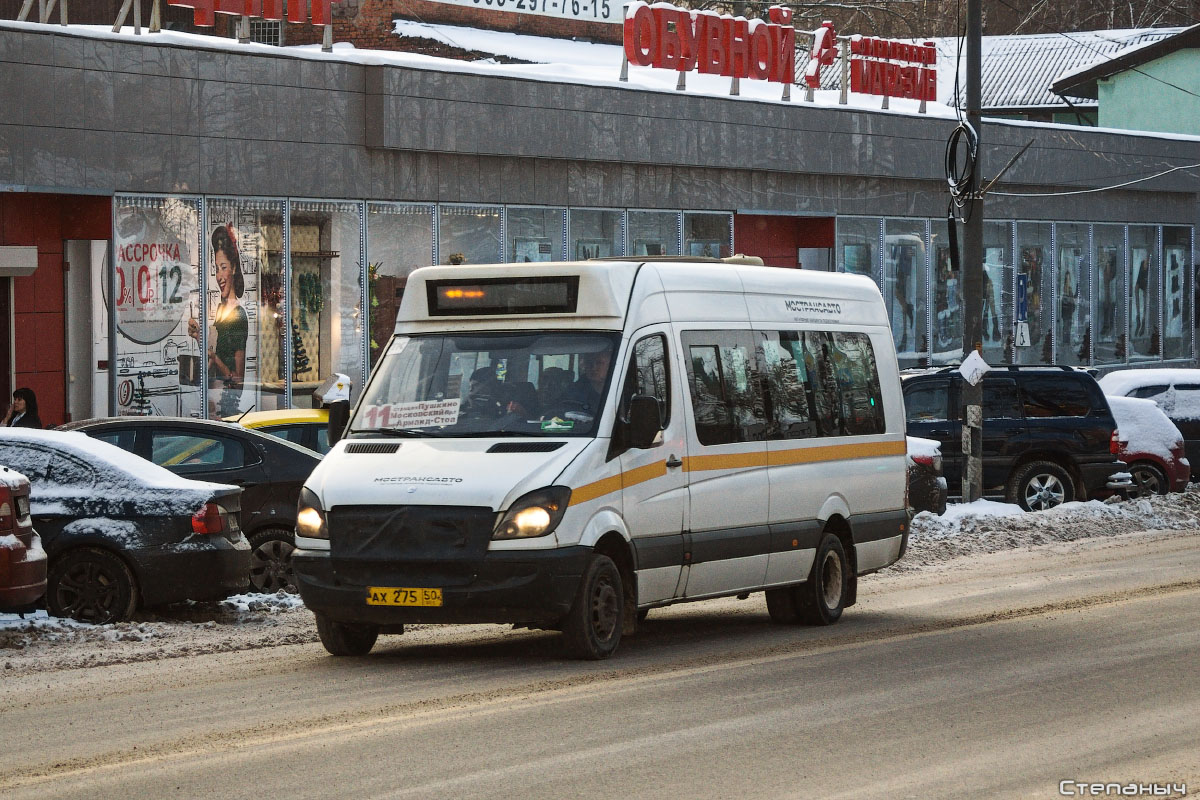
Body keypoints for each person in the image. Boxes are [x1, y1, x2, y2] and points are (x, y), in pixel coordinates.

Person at [190, 223, 248, 417]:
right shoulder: (221, 309)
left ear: (233, 268)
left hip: (227, 402)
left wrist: (214, 358)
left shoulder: (238, 316)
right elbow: (215, 350)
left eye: (223, 267)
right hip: (214, 398)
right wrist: (198, 336)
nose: (219, 276)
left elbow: (237, 379)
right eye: (216, 268)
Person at [563, 349, 612, 416]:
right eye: (589, 362)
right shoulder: (572, 391)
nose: (594, 368)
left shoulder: (620, 388)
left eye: (599, 363)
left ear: (610, 366)